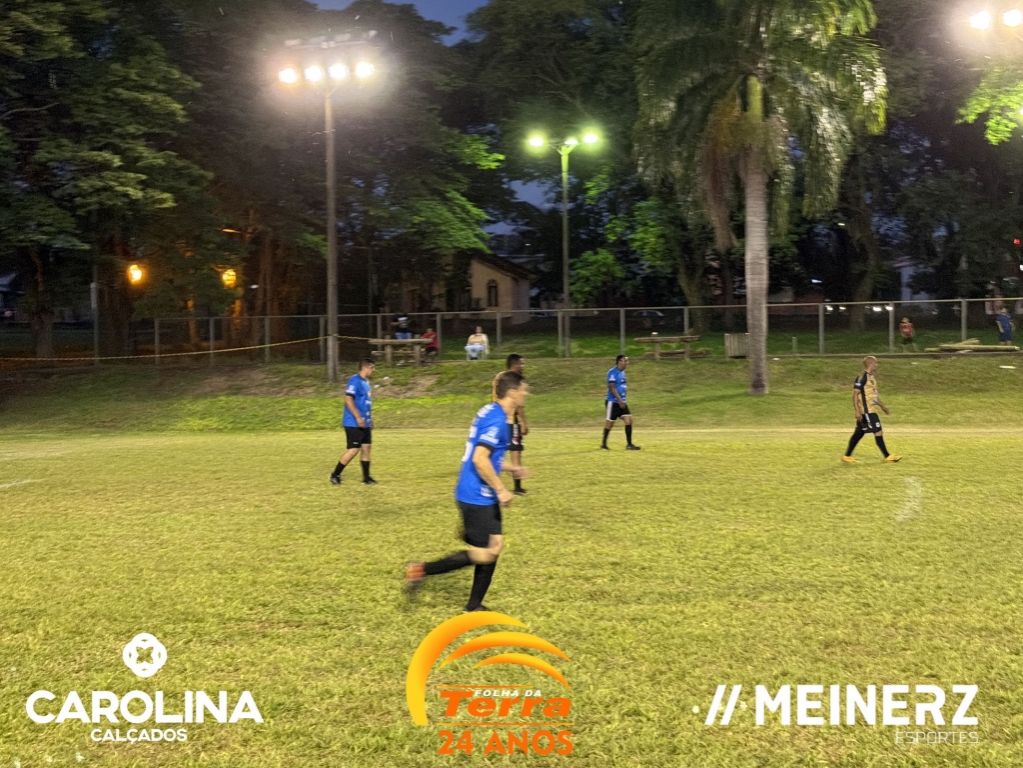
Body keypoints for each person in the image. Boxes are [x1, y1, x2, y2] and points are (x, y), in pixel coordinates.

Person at [404, 372, 530, 612]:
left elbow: (487, 456)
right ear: (513, 393)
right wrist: (502, 489)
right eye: (524, 389)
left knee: (495, 546)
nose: (526, 393)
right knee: (484, 554)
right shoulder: (497, 420)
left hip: (482, 493)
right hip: (476, 495)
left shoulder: (491, 412)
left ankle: (474, 604)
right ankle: (421, 569)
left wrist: (510, 467)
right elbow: (479, 459)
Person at [843, 355, 901, 464]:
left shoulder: (872, 378)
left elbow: (874, 396)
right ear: (870, 364)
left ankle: (847, 456)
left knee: (859, 433)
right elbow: (855, 394)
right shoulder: (862, 377)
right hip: (866, 412)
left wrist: (883, 406)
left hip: (871, 410)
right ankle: (887, 456)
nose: (877, 365)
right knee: (878, 431)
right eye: (875, 363)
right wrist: (857, 411)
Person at [330, 359, 379, 485]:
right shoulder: (354, 380)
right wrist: (358, 417)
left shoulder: (366, 383)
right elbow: (348, 400)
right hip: (353, 422)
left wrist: (369, 419)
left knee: (366, 448)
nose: (374, 370)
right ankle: (335, 475)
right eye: (372, 367)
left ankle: (366, 478)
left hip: (364, 422)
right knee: (354, 450)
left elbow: (365, 403)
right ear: (365, 367)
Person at [493, 354, 529, 496]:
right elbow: (518, 405)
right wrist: (524, 423)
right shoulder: (515, 381)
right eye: (521, 363)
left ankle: (492, 484)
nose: (522, 366)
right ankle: (517, 487)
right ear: (514, 364)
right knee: (515, 452)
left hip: (497, 419)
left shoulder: (499, 377)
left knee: (494, 452)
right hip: (510, 421)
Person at [602, 355, 640, 451]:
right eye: (625, 361)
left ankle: (629, 445)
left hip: (622, 402)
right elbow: (612, 387)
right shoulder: (612, 372)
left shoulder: (623, 373)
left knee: (629, 420)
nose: (627, 363)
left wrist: (623, 398)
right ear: (619, 362)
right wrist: (619, 400)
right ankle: (604, 444)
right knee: (609, 423)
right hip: (613, 402)